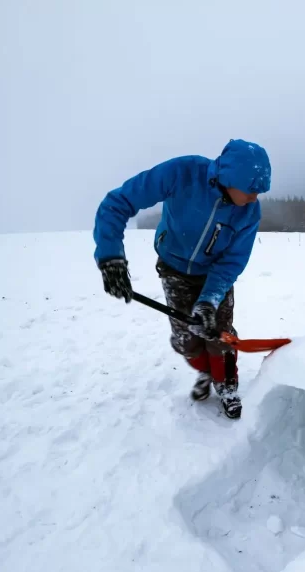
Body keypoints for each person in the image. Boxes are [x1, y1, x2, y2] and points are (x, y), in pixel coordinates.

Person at [92, 139, 271, 419]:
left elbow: (232, 261)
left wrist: (209, 301)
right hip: (174, 268)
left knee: (218, 335)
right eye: (251, 190)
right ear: (230, 179)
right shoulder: (182, 173)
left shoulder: (249, 212)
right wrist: (110, 256)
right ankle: (205, 372)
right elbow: (118, 202)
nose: (254, 198)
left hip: (214, 274)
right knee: (187, 339)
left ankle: (225, 383)